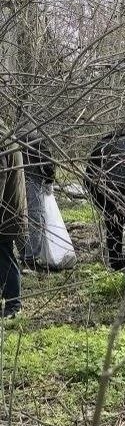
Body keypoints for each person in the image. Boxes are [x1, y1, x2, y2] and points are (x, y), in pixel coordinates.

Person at [84, 131, 125, 272]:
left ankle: (115, 263)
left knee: (113, 227)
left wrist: (100, 203)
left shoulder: (100, 146)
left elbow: (88, 178)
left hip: (108, 193)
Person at [0, 130, 26, 318]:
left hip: (5, 213)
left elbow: (0, 179)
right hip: (10, 209)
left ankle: (14, 305)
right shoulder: (7, 135)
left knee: (5, 256)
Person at [19, 133, 55, 268]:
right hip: (32, 178)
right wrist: (49, 180)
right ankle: (31, 258)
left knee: (19, 216)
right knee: (35, 217)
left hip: (15, 179)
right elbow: (48, 161)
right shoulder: (36, 139)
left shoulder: (13, 138)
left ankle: (24, 254)